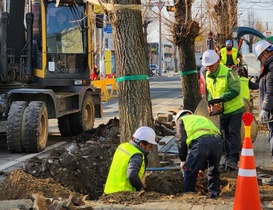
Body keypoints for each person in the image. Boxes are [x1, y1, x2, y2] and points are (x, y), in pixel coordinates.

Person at [202, 49, 244, 170]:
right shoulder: (208, 75)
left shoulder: (228, 73)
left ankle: (233, 158)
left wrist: (219, 99)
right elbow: (210, 91)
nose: (209, 68)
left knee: (233, 133)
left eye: (211, 66)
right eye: (207, 66)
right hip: (223, 111)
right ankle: (226, 157)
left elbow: (235, 90)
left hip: (235, 109)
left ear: (218, 62)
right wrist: (211, 103)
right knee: (223, 134)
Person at [175, 109, 223, 199]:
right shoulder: (202, 119)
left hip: (201, 143)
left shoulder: (181, 120)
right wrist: (202, 168)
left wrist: (183, 159)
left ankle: (188, 196)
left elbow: (181, 140)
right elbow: (209, 146)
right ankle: (214, 194)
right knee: (214, 171)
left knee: (190, 172)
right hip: (218, 142)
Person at [104, 126, 157, 194]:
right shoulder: (136, 155)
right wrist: (141, 189)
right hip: (123, 194)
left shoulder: (122, 147)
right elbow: (132, 175)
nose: (149, 150)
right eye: (149, 147)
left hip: (109, 191)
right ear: (141, 144)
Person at [254, 39, 273, 163]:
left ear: (265, 54)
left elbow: (270, 91)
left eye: (260, 58)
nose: (261, 61)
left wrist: (265, 109)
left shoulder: (271, 68)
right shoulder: (268, 68)